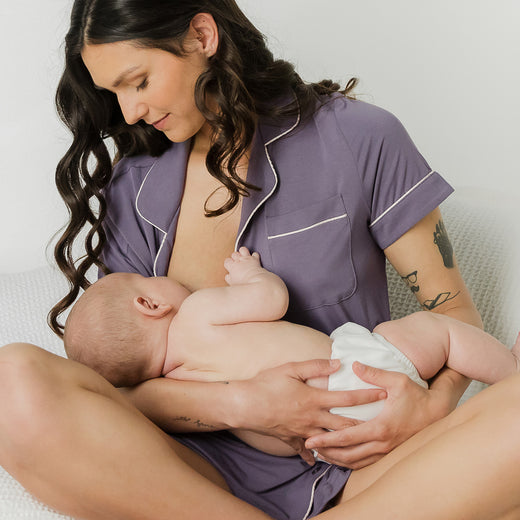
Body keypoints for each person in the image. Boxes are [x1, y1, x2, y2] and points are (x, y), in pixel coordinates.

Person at [1, 1, 520, 519]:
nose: (130, 112)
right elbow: (118, 391)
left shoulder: (359, 136)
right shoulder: (133, 187)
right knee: (9, 382)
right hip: (190, 476)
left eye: (137, 81)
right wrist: (241, 404)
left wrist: (430, 406)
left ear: (202, 35)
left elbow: (452, 318)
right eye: (113, 93)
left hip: (359, 461)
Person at [64, 246, 520, 448]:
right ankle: (512, 373)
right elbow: (272, 299)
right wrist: (247, 276)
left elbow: (260, 428)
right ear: (150, 303)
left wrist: (307, 442)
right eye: (150, 278)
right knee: (437, 331)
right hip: (354, 369)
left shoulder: (180, 383)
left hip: (327, 433)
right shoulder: (195, 312)